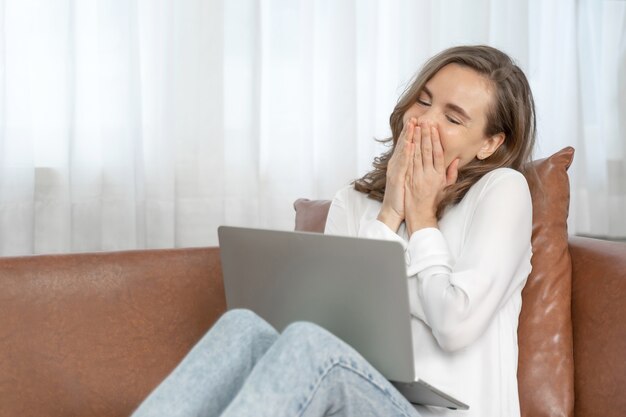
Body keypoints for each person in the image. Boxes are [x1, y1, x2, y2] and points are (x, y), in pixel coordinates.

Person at [131, 45, 535, 417]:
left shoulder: (501, 191)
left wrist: (422, 219)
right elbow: (343, 326)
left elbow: (454, 325)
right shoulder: (354, 201)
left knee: (309, 343)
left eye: (451, 118)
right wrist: (391, 211)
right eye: (423, 101)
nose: (424, 121)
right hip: (359, 400)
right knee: (244, 328)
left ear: (490, 143)